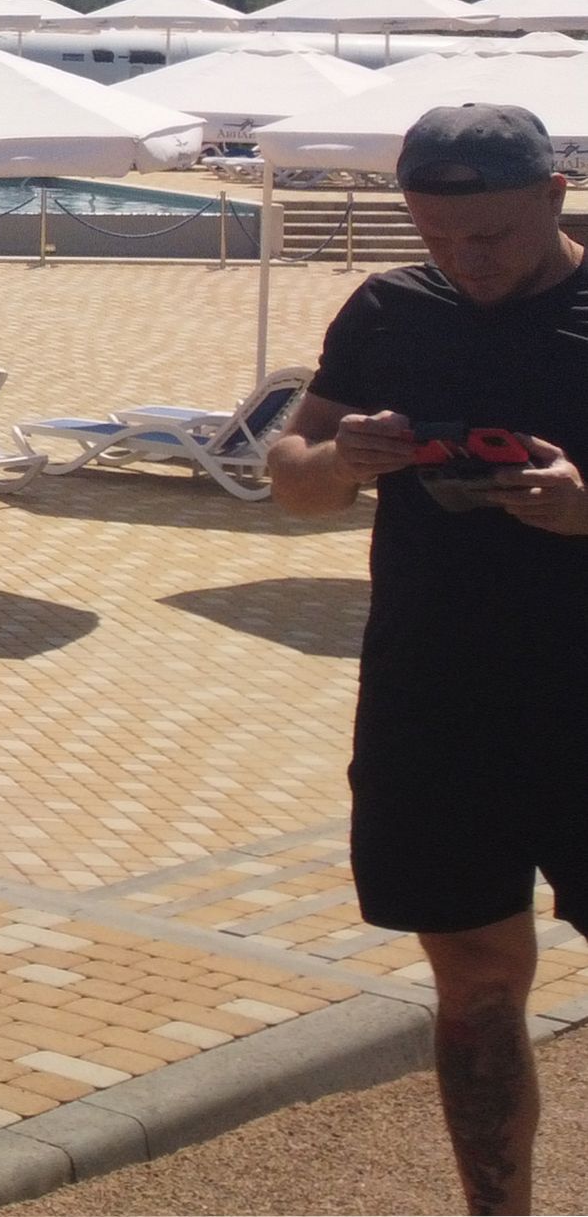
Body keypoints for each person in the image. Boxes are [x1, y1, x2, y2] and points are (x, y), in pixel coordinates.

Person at [265, 102, 588, 1215]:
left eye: (489, 234)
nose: (465, 259)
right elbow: (291, 476)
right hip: (436, 702)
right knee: (478, 984)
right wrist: (342, 459)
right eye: (437, 236)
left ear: (556, 195)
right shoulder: (390, 308)